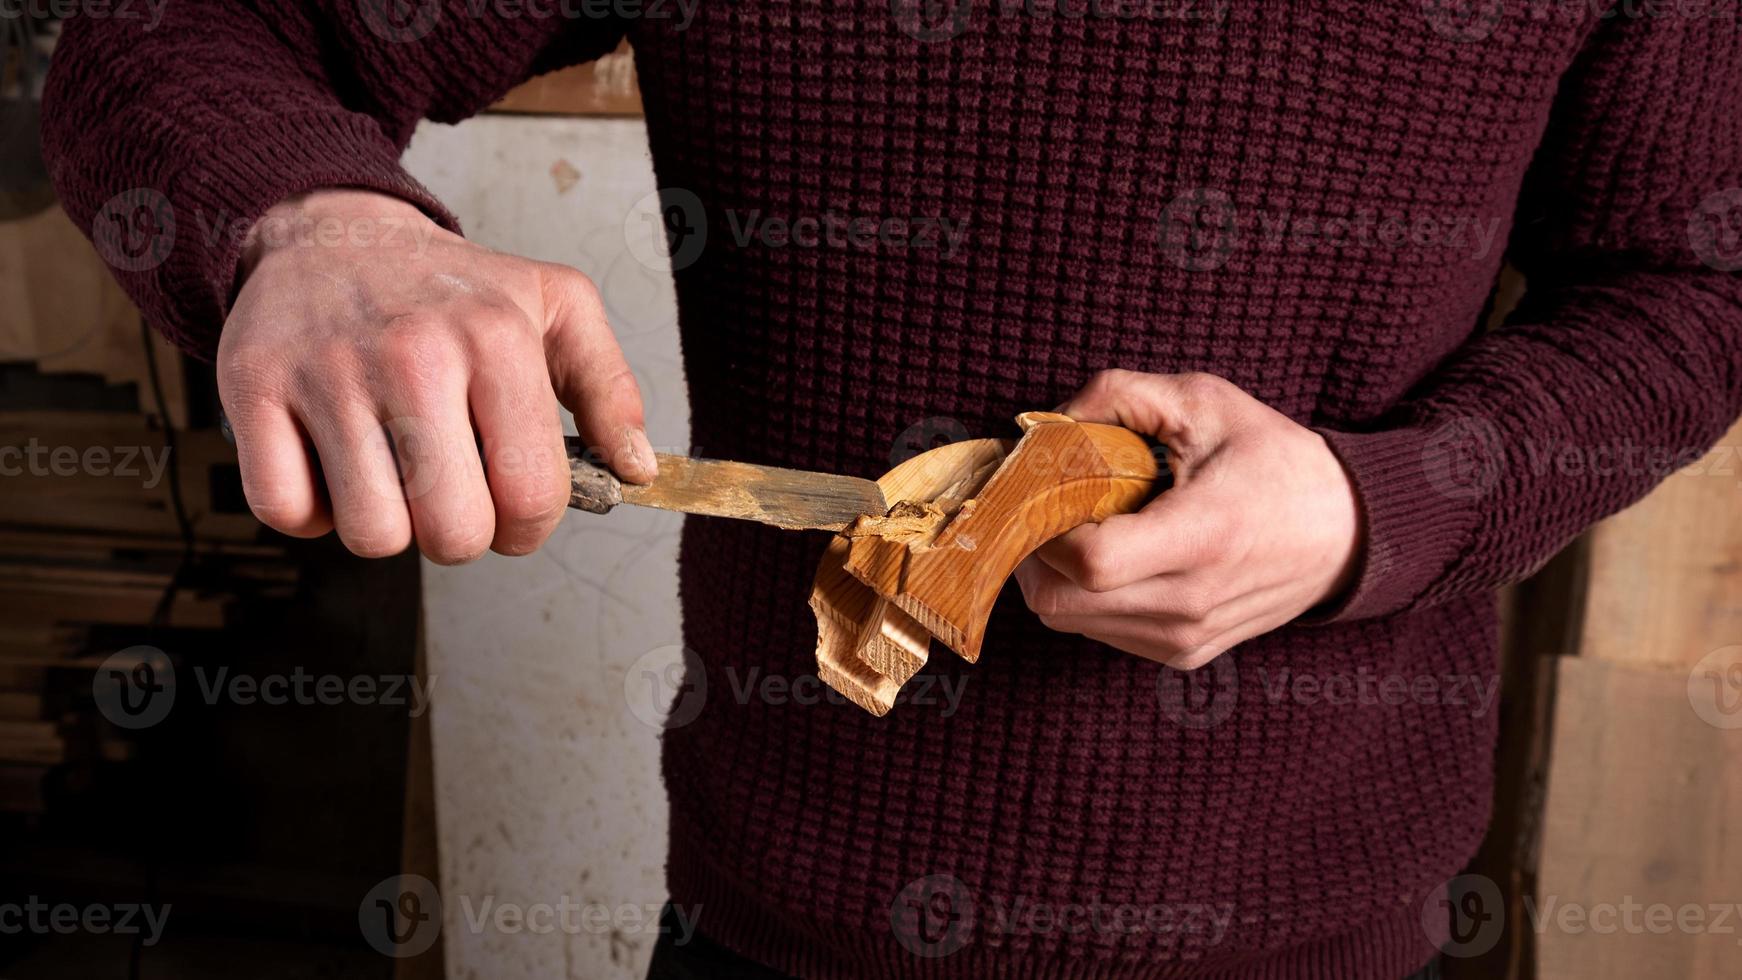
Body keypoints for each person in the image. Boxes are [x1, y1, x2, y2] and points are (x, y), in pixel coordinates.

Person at [42, 4, 1741, 978]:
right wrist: (313, 223)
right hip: (769, 939)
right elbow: (180, 29)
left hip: (1333, 938)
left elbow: (1694, 281)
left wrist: (1387, 506)